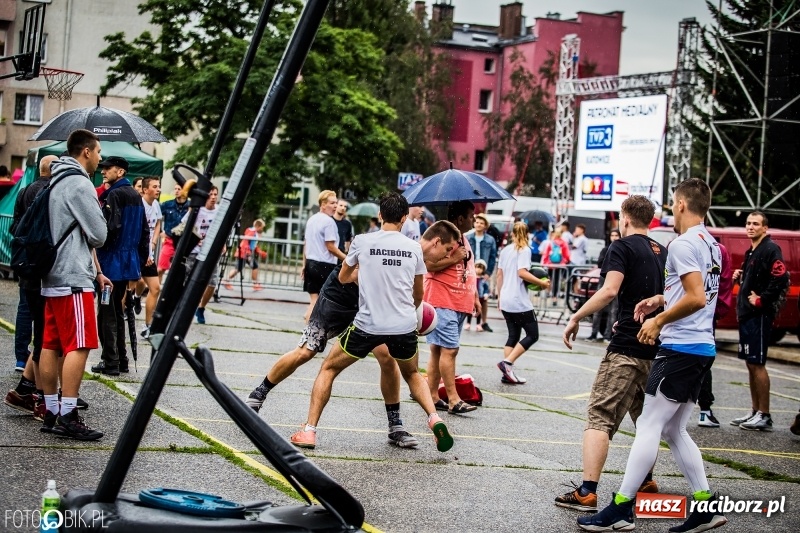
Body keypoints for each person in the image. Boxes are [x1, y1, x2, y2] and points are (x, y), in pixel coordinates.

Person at [578, 178, 727, 533]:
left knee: (649, 425)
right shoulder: (711, 244)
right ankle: (704, 507)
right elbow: (693, 290)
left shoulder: (682, 244)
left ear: (680, 205)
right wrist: (660, 299)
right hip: (701, 345)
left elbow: (696, 298)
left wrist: (659, 320)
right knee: (675, 429)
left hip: (680, 347)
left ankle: (621, 506)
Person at [247, 220, 461, 449]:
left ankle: (395, 426)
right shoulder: (388, 245)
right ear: (436, 242)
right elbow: (351, 273)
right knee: (306, 352)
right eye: (448, 250)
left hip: (370, 309)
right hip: (341, 296)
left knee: (387, 359)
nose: (447, 256)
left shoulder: (415, 254)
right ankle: (258, 395)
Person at [289, 193, 454, 453]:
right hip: (403, 325)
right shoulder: (413, 248)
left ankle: (309, 431)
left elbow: (343, 278)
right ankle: (435, 420)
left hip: (368, 324)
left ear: (380, 215)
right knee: (411, 373)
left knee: (329, 369)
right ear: (403, 218)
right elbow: (419, 294)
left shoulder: (362, 241)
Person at [558, 196, 665, 513]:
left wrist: (577, 316)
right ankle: (646, 481)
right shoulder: (662, 251)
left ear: (626, 218)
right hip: (654, 348)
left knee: (600, 416)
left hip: (626, 349)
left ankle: (587, 492)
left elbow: (609, 290)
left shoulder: (622, 247)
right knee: (643, 418)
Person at [39, 129, 109, 440]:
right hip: (74, 276)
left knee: (50, 344)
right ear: (85, 152)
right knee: (80, 344)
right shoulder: (80, 183)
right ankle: (68, 413)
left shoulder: (53, 179)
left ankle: (51, 409)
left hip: (52, 274)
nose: (100, 158)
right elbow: (98, 234)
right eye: (98, 152)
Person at [729, 211, 789, 431]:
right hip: (746, 315)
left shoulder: (771, 249)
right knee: (750, 363)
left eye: (756, 224)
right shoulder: (752, 250)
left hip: (759, 316)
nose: (751, 227)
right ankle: (755, 411)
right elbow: (758, 276)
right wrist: (740, 276)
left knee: (758, 363)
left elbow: (780, 277)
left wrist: (761, 300)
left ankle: (765, 414)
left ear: (765, 228)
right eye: (748, 223)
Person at [91, 156, 148, 375]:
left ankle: (111, 361)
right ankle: (121, 359)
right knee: (117, 310)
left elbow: (108, 229)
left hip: (111, 262)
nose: (103, 171)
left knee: (106, 312)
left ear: (121, 172)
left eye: (108, 168)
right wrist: (140, 261)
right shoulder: (135, 195)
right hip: (128, 262)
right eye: (103, 167)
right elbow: (145, 232)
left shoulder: (114, 194)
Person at [424, 200, 481, 414]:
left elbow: (469, 270)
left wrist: (474, 296)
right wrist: (454, 257)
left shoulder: (463, 239)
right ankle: (453, 399)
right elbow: (428, 265)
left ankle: (431, 394)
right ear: (459, 218)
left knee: (438, 350)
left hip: (458, 301)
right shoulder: (445, 237)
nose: (473, 220)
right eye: (470, 216)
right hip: (442, 299)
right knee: (450, 349)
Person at [496, 222, 550, 384]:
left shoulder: (506, 250)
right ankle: (507, 363)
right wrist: (542, 283)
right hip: (519, 301)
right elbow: (522, 273)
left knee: (513, 336)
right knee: (533, 335)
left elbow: (499, 275)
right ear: (528, 234)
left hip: (506, 299)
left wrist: (500, 297)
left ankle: (507, 373)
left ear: (512, 233)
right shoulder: (525, 250)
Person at [698, 242, 733, 428]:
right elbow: (725, 283)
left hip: (692, 316)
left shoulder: (717, 249)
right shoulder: (718, 249)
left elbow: (724, 283)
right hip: (699, 317)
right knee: (701, 362)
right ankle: (704, 410)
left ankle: (704, 409)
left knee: (700, 363)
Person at [301, 190, 345, 322]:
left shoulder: (312, 219)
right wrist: (347, 259)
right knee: (321, 302)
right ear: (323, 204)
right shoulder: (329, 222)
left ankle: (308, 328)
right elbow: (331, 247)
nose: (336, 206)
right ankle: (309, 332)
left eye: (336, 203)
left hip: (311, 262)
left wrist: (304, 264)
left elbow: (306, 244)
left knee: (314, 301)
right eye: (332, 203)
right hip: (323, 265)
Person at [182, 186, 220, 324]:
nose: (213, 197)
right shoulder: (198, 209)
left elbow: (224, 230)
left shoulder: (219, 211)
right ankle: (185, 309)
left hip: (211, 252)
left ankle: (201, 307)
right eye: (211, 194)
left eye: (215, 194)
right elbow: (184, 225)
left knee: (211, 283)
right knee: (188, 281)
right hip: (194, 251)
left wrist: (223, 245)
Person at [136, 176, 162, 338]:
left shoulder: (156, 205)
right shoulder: (140, 207)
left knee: (156, 288)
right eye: (155, 186)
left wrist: (153, 243)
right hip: (137, 253)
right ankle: (123, 313)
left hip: (148, 253)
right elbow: (137, 234)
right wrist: (145, 253)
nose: (158, 189)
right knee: (131, 285)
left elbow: (158, 223)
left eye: (159, 186)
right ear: (145, 190)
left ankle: (148, 327)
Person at [585, 229, 620, 342]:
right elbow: (600, 263)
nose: (614, 237)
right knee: (597, 308)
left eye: (616, 235)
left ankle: (608, 335)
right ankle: (594, 334)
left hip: (615, 282)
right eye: (612, 235)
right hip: (604, 280)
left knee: (613, 311)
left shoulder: (621, 250)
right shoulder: (606, 249)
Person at [467, 213, 497, 332]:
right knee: (469, 295)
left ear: (485, 226)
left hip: (483, 271)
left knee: (483, 297)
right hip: (471, 270)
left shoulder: (490, 239)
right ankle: (468, 321)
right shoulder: (468, 237)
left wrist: (488, 272)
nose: (478, 224)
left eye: (481, 223)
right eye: (477, 222)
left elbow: (492, 257)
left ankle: (483, 321)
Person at [158, 183, 190, 281]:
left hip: (184, 242)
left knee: (182, 270)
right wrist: (160, 231)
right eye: (175, 188)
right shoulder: (168, 204)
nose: (176, 191)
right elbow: (156, 215)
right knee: (160, 269)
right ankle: (157, 291)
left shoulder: (190, 206)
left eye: (179, 189)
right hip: (170, 240)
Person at [224, 219, 267, 290]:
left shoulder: (254, 232)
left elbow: (252, 245)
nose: (262, 229)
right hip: (245, 253)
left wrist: (260, 252)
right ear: (258, 226)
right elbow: (246, 242)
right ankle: (255, 284)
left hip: (243, 252)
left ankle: (226, 281)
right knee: (254, 266)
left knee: (238, 268)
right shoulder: (252, 231)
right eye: (262, 227)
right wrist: (248, 254)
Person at [541, 228, 570, 305]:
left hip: (550, 265)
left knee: (549, 279)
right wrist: (564, 261)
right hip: (560, 266)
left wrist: (545, 263)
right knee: (557, 281)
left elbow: (546, 254)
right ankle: (554, 298)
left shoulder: (551, 243)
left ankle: (547, 293)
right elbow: (567, 255)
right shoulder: (564, 243)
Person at [464, 260, 490, 331]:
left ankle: (478, 324)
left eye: (481, 268)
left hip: (480, 297)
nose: (478, 269)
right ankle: (468, 323)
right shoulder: (471, 277)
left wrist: (486, 294)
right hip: (471, 297)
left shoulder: (483, 280)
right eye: (477, 267)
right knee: (470, 310)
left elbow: (486, 288)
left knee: (479, 310)